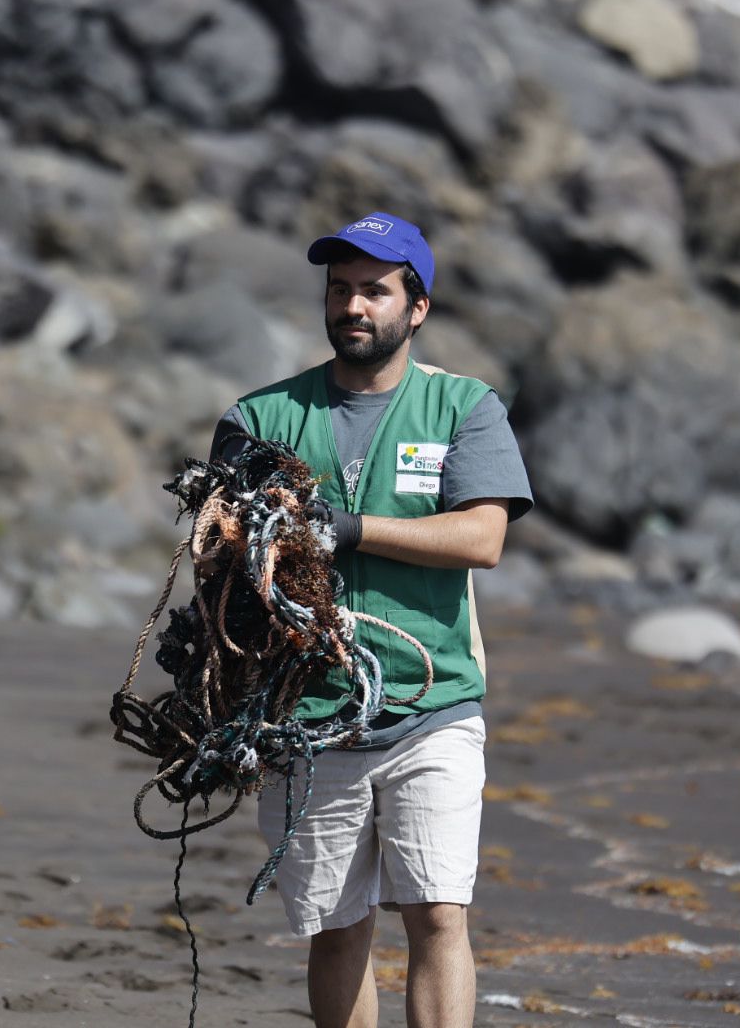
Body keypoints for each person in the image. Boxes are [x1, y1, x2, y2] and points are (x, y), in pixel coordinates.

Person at [209, 212, 533, 1028]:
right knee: (336, 926)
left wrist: (350, 531)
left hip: (435, 707)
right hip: (304, 719)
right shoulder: (259, 419)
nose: (355, 306)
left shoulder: (465, 408)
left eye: (375, 292)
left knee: (438, 914)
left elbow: (483, 537)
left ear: (416, 308)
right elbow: (214, 551)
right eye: (341, 288)